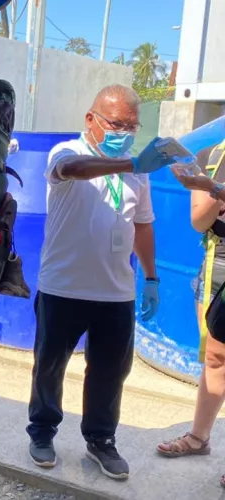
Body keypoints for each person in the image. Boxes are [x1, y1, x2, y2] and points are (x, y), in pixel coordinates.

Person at [26, 84, 180, 480]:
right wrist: (132, 164)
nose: (124, 133)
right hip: (63, 287)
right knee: (50, 366)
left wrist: (151, 277)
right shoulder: (66, 152)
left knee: (110, 372)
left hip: (115, 291)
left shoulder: (138, 172)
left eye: (132, 126)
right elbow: (73, 170)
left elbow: (142, 226)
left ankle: (100, 440)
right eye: (116, 124)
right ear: (91, 119)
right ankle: (42, 431)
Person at [157, 142, 225, 487]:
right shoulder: (212, 156)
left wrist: (214, 188)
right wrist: (213, 188)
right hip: (219, 265)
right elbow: (200, 220)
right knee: (215, 358)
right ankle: (199, 437)